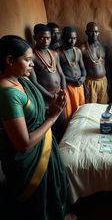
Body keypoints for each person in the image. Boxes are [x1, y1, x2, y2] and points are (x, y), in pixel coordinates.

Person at [0, 35, 75, 220]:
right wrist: (53, 117)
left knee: (51, 192)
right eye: (27, 60)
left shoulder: (20, 80)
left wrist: (52, 107)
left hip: (43, 143)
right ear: (10, 60)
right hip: (28, 160)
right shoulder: (7, 94)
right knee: (38, 204)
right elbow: (23, 144)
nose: (32, 64)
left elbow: (31, 113)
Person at [29, 23, 67, 143]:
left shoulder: (54, 54)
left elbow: (61, 74)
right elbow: (34, 82)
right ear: (35, 37)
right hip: (46, 98)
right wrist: (52, 97)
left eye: (48, 38)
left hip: (58, 94)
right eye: (42, 37)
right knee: (49, 128)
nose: (45, 41)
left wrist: (64, 91)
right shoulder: (33, 57)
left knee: (61, 124)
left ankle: (59, 151)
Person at [80, 22, 112, 103]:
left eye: (96, 31)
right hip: (90, 84)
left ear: (98, 33)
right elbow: (80, 70)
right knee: (91, 109)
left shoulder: (104, 46)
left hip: (103, 81)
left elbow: (107, 66)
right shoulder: (83, 49)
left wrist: (109, 83)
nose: (94, 34)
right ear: (86, 32)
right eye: (91, 31)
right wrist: (84, 87)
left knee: (102, 109)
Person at [59, 26, 86, 122]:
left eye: (74, 38)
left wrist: (83, 78)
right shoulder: (58, 53)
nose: (72, 41)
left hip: (79, 85)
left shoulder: (78, 51)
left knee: (81, 111)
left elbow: (83, 68)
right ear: (63, 38)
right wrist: (72, 80)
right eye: (69, 38)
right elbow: (59, 74)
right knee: (70, 113)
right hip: (68, 86)